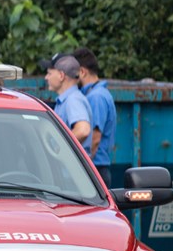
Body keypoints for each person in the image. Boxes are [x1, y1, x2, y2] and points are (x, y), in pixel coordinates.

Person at [72, 47, 117, 186]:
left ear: (82, 72)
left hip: (94, 170)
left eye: (74, 74)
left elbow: (94, 139)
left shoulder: (96, 97)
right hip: (96, 169)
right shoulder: (96, 94)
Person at [41, 53, 92, 147]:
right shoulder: (67, 100)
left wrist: (59, 146)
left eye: (49, 73)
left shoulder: (73, 100)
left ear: (61, 75)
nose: (46, 77)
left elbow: (83, 130)